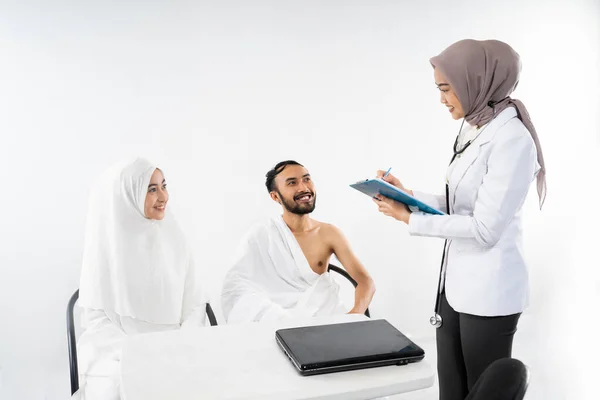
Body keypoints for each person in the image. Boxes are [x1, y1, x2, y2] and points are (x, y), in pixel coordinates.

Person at [372, 39, 546, 400]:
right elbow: (459, 204)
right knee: (451, 391)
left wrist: (411, 220)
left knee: (485, 392)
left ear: (476, 82)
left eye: (446, 88)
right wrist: (408, 197)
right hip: (454, 289)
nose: (441, 99)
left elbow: (484, 229)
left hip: (489, 292)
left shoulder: (513, 140)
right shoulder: (475, 126)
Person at [75, 158, 209, 399]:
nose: (163, 197)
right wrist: (141, 351)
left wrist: (183, 341)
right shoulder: (104, 250)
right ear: (127, 196)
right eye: (151, 189)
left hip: (178, 344)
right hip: (120, 352)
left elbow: (195, 303)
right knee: (121, 385)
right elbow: (97, 323)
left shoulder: (175, 240)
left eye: (163, 186)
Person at [221, 160, 375, 324]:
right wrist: (279, 318)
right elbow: (237, 286)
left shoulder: (329, 233)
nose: (303, 188)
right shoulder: (261, 235)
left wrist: (353, 317)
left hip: (326, 321)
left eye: (307, 179)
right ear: (275, 196)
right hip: (276, 325)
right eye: (292, 183)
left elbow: (366, 282)